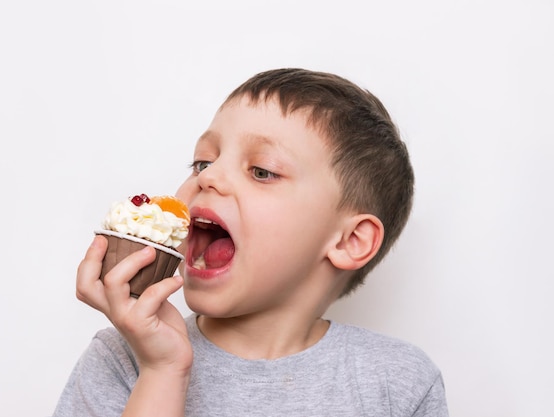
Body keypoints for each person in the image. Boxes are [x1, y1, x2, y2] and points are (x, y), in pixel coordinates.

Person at [53, 68, 449, 417]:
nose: (208, 178)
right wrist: (162, 371)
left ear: (349, 240)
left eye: (261, 171)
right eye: (203, 163)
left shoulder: (398, 382)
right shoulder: (124, 359)